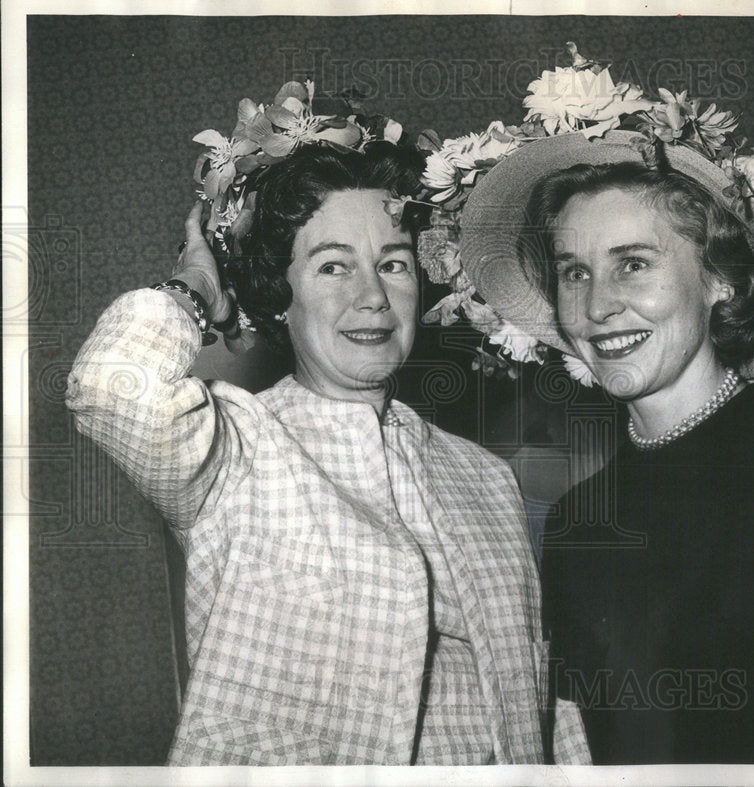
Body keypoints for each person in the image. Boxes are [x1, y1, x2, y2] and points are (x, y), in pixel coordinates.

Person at [65, 132, 590, 764]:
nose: (372, 296)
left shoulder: (483, 476)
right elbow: (109, 387)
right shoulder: (235, 446)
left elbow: (542, 702)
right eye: (333, 266)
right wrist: (196, 286)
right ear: (280, 296)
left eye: (393, 263)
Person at [449, 127, 754, 763]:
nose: (597, 305)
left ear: (720, 280)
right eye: (574, 273)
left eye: (632, 264)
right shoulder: (579, 518)